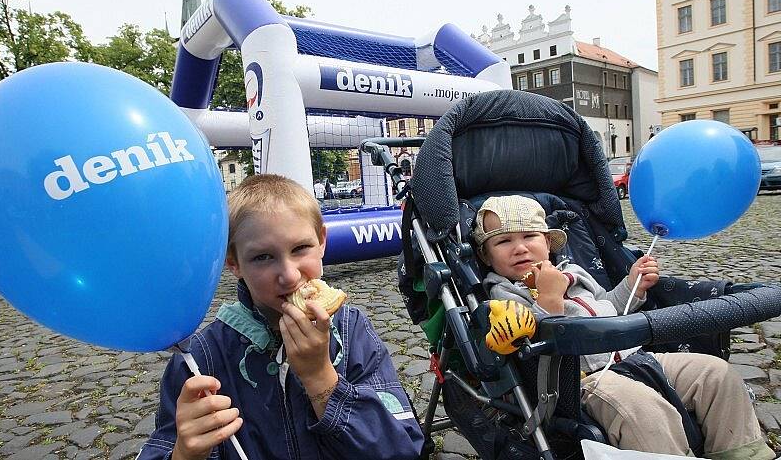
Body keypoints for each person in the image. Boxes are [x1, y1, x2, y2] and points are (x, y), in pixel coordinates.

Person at [139, 174, 424, 460]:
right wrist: (184, 454)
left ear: (322, 241)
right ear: (233, 263)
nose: (289, 276)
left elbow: (402, 449)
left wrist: (320, 378)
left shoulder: (353, 332)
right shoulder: (201, 359)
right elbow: (162, 447)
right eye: (263, 257)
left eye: (300, 249)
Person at [471, 195, 774, 459]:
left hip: (636, 357)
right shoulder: (503, 292)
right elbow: (528, 341)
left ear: (548, 243)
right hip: (582, 381)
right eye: (504, 241)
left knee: (715, 374)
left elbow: (612, 306)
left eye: (529, 237)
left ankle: (742, 451)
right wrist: (549, 299)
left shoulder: (574, 272)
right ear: (486, 255)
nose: (520, 248)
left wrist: (633, 285)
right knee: (643, 410)